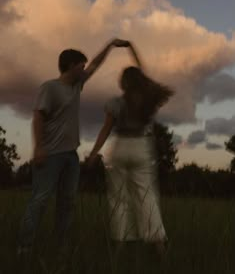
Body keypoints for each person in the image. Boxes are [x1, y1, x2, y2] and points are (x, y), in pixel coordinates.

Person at [17, 38, 129, 255]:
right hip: (50, 155)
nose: (84, 68)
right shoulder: (49, 87)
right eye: (81, 65)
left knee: (67, 202)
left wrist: (111, 44)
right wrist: (38, 148)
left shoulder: (77, 86)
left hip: (70, 156)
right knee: (40, 200)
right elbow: (38, 118)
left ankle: (61, 246)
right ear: (70, 65)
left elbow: (96, 64)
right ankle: (24, 246)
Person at [87, 42, 173, 254]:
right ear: (141, 82)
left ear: (124, 83)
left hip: (119, 148)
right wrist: (132, 48)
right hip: (142, 148)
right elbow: (142, 70)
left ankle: (119, 248)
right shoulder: (149, 99)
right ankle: (159, 245)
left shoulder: (115, 102)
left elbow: (106, 130)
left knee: (119, 199)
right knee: (147, 197)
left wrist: (93, 153)